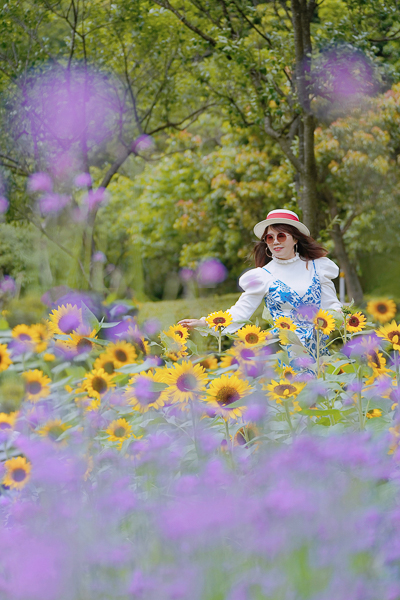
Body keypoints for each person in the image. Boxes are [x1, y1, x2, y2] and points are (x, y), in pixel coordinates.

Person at [179, 209, 342, 358]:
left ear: (295, 238)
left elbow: (332, 306)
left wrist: (341, 313)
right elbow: (240, 312)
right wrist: (205, 323)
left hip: (321, 357)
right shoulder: (262, 276)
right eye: (270, 237)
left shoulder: (318, 266)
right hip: (286, 359)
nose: (275, 242)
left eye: (282, 236)